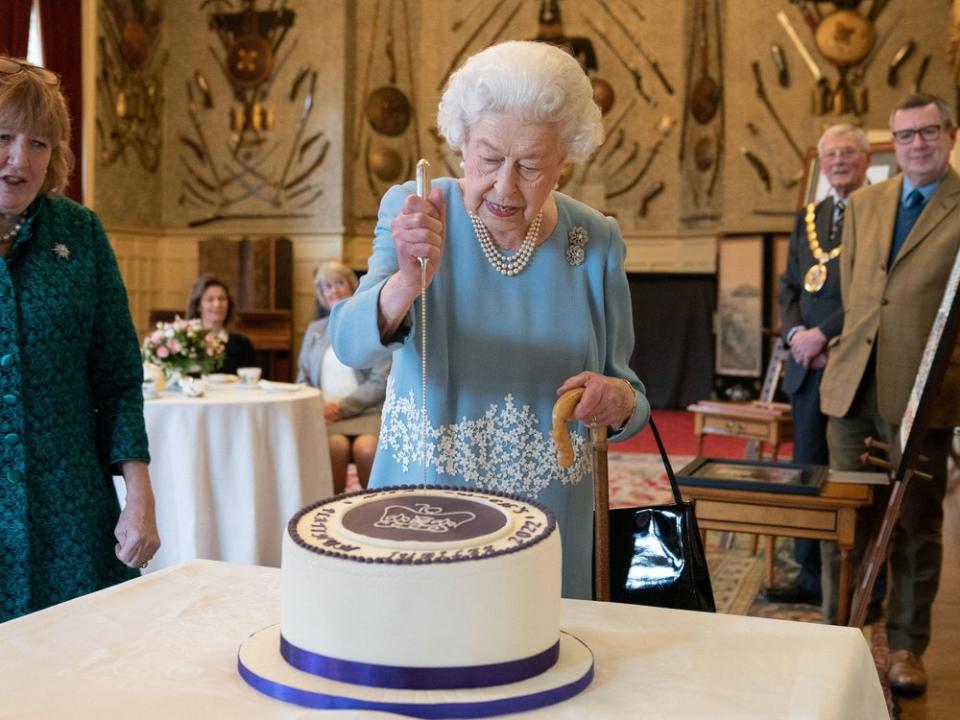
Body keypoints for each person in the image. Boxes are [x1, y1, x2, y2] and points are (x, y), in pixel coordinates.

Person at [329, 41, 650, 600]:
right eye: (488, 158)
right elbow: (350, 345)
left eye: (529, 166)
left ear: (563, 163)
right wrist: (406, 281)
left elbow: (631, 395)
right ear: (460, 146)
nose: (505, 185)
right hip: (425, 510)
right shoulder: (416, 208)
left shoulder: (595, 239)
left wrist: (618, 400)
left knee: (542, 669)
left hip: (550, 519)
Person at [0, 57, 160, 622]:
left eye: (38, 144)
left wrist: (139, 496)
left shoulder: (80, 234)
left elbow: (117, 379)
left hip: (69, 506)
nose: (20, 160)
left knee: (78, 669)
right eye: (3, 136)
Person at [819, 93, 960, 697]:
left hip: (924, 395)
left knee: (914, 527)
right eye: (905, 136)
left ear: (950, 135)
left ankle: (906, 645)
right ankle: (839, 636)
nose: (917, 144)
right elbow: (858, 296)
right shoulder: (867, 202)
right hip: (853, 388)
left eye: (929, 132)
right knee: (845, 519)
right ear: (893, 145)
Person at [770, 125, 871, 606]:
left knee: (850, 477)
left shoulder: (879, 214)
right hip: (806, 366)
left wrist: (822, 334)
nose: (838, 161)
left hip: (853, 364)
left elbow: (871, 292)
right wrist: (795, 335)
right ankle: (809, 576)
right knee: (807, 471)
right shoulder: (811, 216)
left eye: (848, 152)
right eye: (830, 154)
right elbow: (789, 285)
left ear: (867, 158)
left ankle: (859, 583)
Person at [297, 261, 388, 494]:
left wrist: (342, 407)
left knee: (366, 449)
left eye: (339, 283)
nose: (334, 290)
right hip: (326, 416)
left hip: (366, 412)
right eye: (327, 287)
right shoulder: (314, 330)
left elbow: (380, 380)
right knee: (333, 448)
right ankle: (330, 516)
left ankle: (376, 512)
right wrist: (320, 407)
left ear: (352, 286)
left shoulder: (369, 325)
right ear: (321, 295)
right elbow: (303, 379)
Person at [185, 273, 256, 375]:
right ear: (198, 306)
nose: (217, 304)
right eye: (210, 299)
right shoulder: (185, 343)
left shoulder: (242, 344)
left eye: (222, 299)